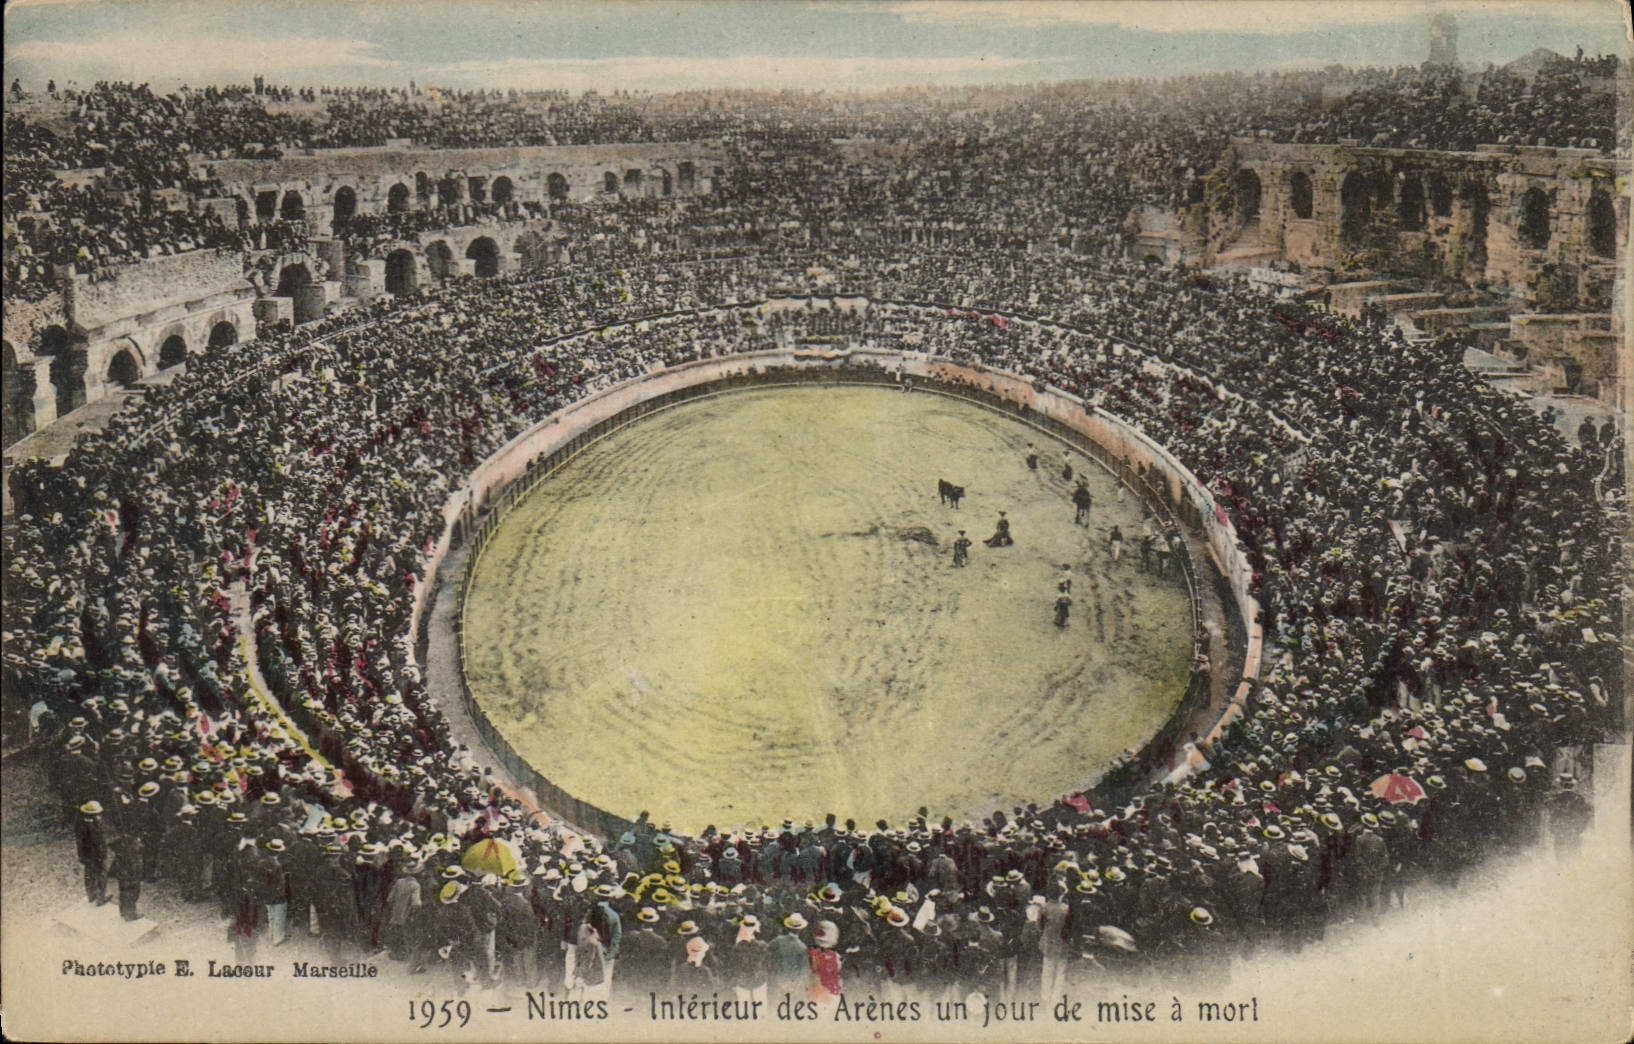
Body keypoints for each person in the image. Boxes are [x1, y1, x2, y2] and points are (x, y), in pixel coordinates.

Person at [75, 801, 110, 905]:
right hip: (97, 855)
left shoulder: (80, 823)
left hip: (86, 855)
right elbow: (100, 842)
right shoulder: (96, 826)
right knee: (101, 875)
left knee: (89, 874)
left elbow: (79, 841)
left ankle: (91, 895)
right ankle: (100, 898)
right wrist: (104, 854)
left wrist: (81, 855)